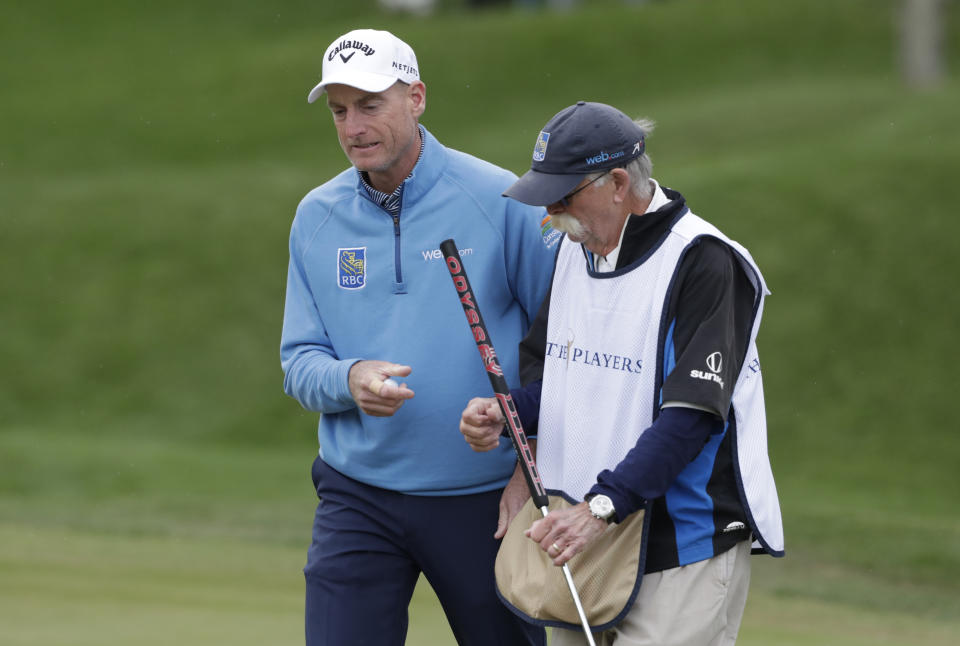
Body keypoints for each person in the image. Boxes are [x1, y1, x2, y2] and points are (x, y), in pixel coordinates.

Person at [460, 101, 784, 646]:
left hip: (679, 543)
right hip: (583, 533)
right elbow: (567, 380)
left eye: (564, 195)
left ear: (616, 182)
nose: (552, 212)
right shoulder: (573, 250)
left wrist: (600, 508)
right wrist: (511, 413)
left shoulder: (705, 261)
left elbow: (690, 417)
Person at [280, 28, 556, 646]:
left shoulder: (500, 199)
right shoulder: (317, 216)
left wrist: (529, 465)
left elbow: (561, 344)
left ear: (417, 97)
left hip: (486, 502)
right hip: (359, 496)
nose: (353, 125)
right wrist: (348, 379)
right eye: (339, 110)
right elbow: (299, 361)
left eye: (370, 105)